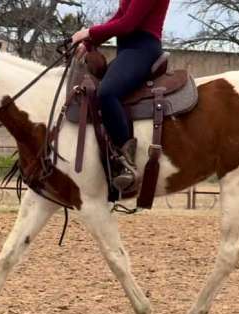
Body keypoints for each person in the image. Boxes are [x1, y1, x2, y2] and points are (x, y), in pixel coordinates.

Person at [72, 0, 171, 191]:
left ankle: (126, 163)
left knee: (107, 93)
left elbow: (127, 23)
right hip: (127, 51)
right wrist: (89, 41)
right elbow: (120, 15)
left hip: (141, 50)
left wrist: (89, 32)